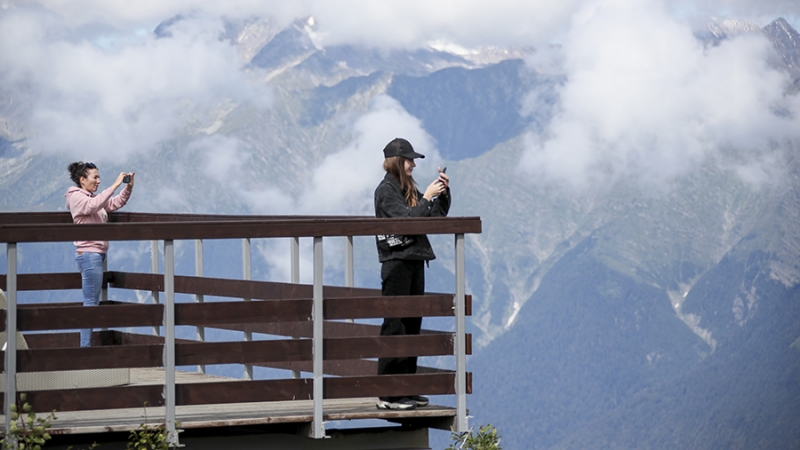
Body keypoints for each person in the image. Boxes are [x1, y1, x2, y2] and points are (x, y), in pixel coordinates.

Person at [374, 138, 450, 411]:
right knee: (395, 325)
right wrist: (427, 197)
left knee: (411, 325)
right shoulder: (386, 191)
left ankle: (405, 389)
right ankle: (388, 394)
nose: (413, 165)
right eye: (409, 160)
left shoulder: (408, 189)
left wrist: (441, 194)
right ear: (397, 161)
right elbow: (406, 222)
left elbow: (433, 218)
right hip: (396, 263)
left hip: (414, 261)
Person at [65, 162, 135, 347]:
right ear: (82, 179)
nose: (98, 180)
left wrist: (128, 187)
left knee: (91, 302)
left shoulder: (91, 198)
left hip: (94, 255)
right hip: (89, 255)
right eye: (95, 177)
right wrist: (114, 185)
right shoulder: (77, 198)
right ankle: (85, 350)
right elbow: (94, 205)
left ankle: (85, 348)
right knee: (90, 304)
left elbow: (112, 203)